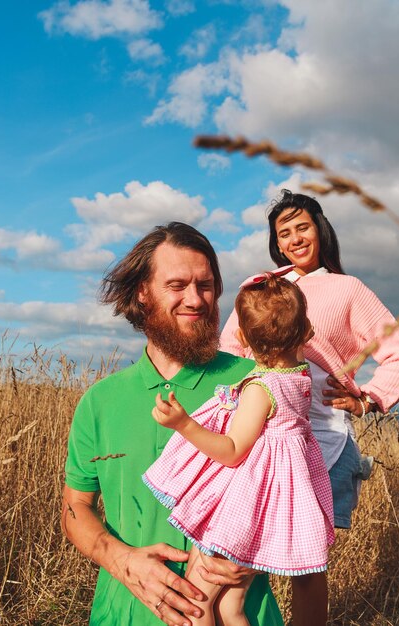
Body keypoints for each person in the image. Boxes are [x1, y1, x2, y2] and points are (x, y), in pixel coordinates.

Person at [61, 222, 283, 626]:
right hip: (125, 613)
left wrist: (258, 551)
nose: (196, 300)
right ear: (142, 292)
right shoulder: (100, 400)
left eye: (207, 285)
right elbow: (75, 507)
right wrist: (123, 561)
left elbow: (296, 490)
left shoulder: (257, 383)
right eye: (177, 285)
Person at [220, 189, 399, 626]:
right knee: (244, 547)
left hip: (324, 436)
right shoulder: (261, 286)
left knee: (307, 563)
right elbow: (231, 345)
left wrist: (369, 399)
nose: (294, 238)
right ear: (276, 242)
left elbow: (398, 350)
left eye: (302, 227)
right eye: (284, 233)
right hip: (262, 430)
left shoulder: (348, 289)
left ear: (319, 230)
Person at [143, 271, 335, 626]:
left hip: (240, 513)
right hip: (270, 511)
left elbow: (232, 450)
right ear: (307, 332)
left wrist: (184, 424)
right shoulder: (300, 379)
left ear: (243, 337)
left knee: (196, 604)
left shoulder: (262, 389)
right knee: (230, 609)